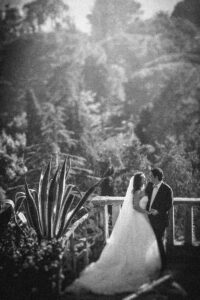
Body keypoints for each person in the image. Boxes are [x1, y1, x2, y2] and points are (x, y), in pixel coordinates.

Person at [65, 172, 161, 296]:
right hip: (138, 219)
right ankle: (134, 267)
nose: (144, 181)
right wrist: (148, 212)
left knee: (143, 243)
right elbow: (136, 207)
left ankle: (140, 265)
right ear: (138, 181)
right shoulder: (137, 192)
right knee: (137, 243)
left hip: (141, 220)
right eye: (142, 180)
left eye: (144, 179)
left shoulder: (140, 190)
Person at [145, 168, 173, 272]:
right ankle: (152, 263)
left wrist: (158, 211)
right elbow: (144, 198)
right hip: (148, 219)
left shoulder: (167, 189)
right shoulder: (149, 185)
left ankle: (163, 265)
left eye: (151, 176)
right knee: (149, 242)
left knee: (159, 241)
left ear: (156, 177)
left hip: (160, 220)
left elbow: (169, 204)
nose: (149, 177)